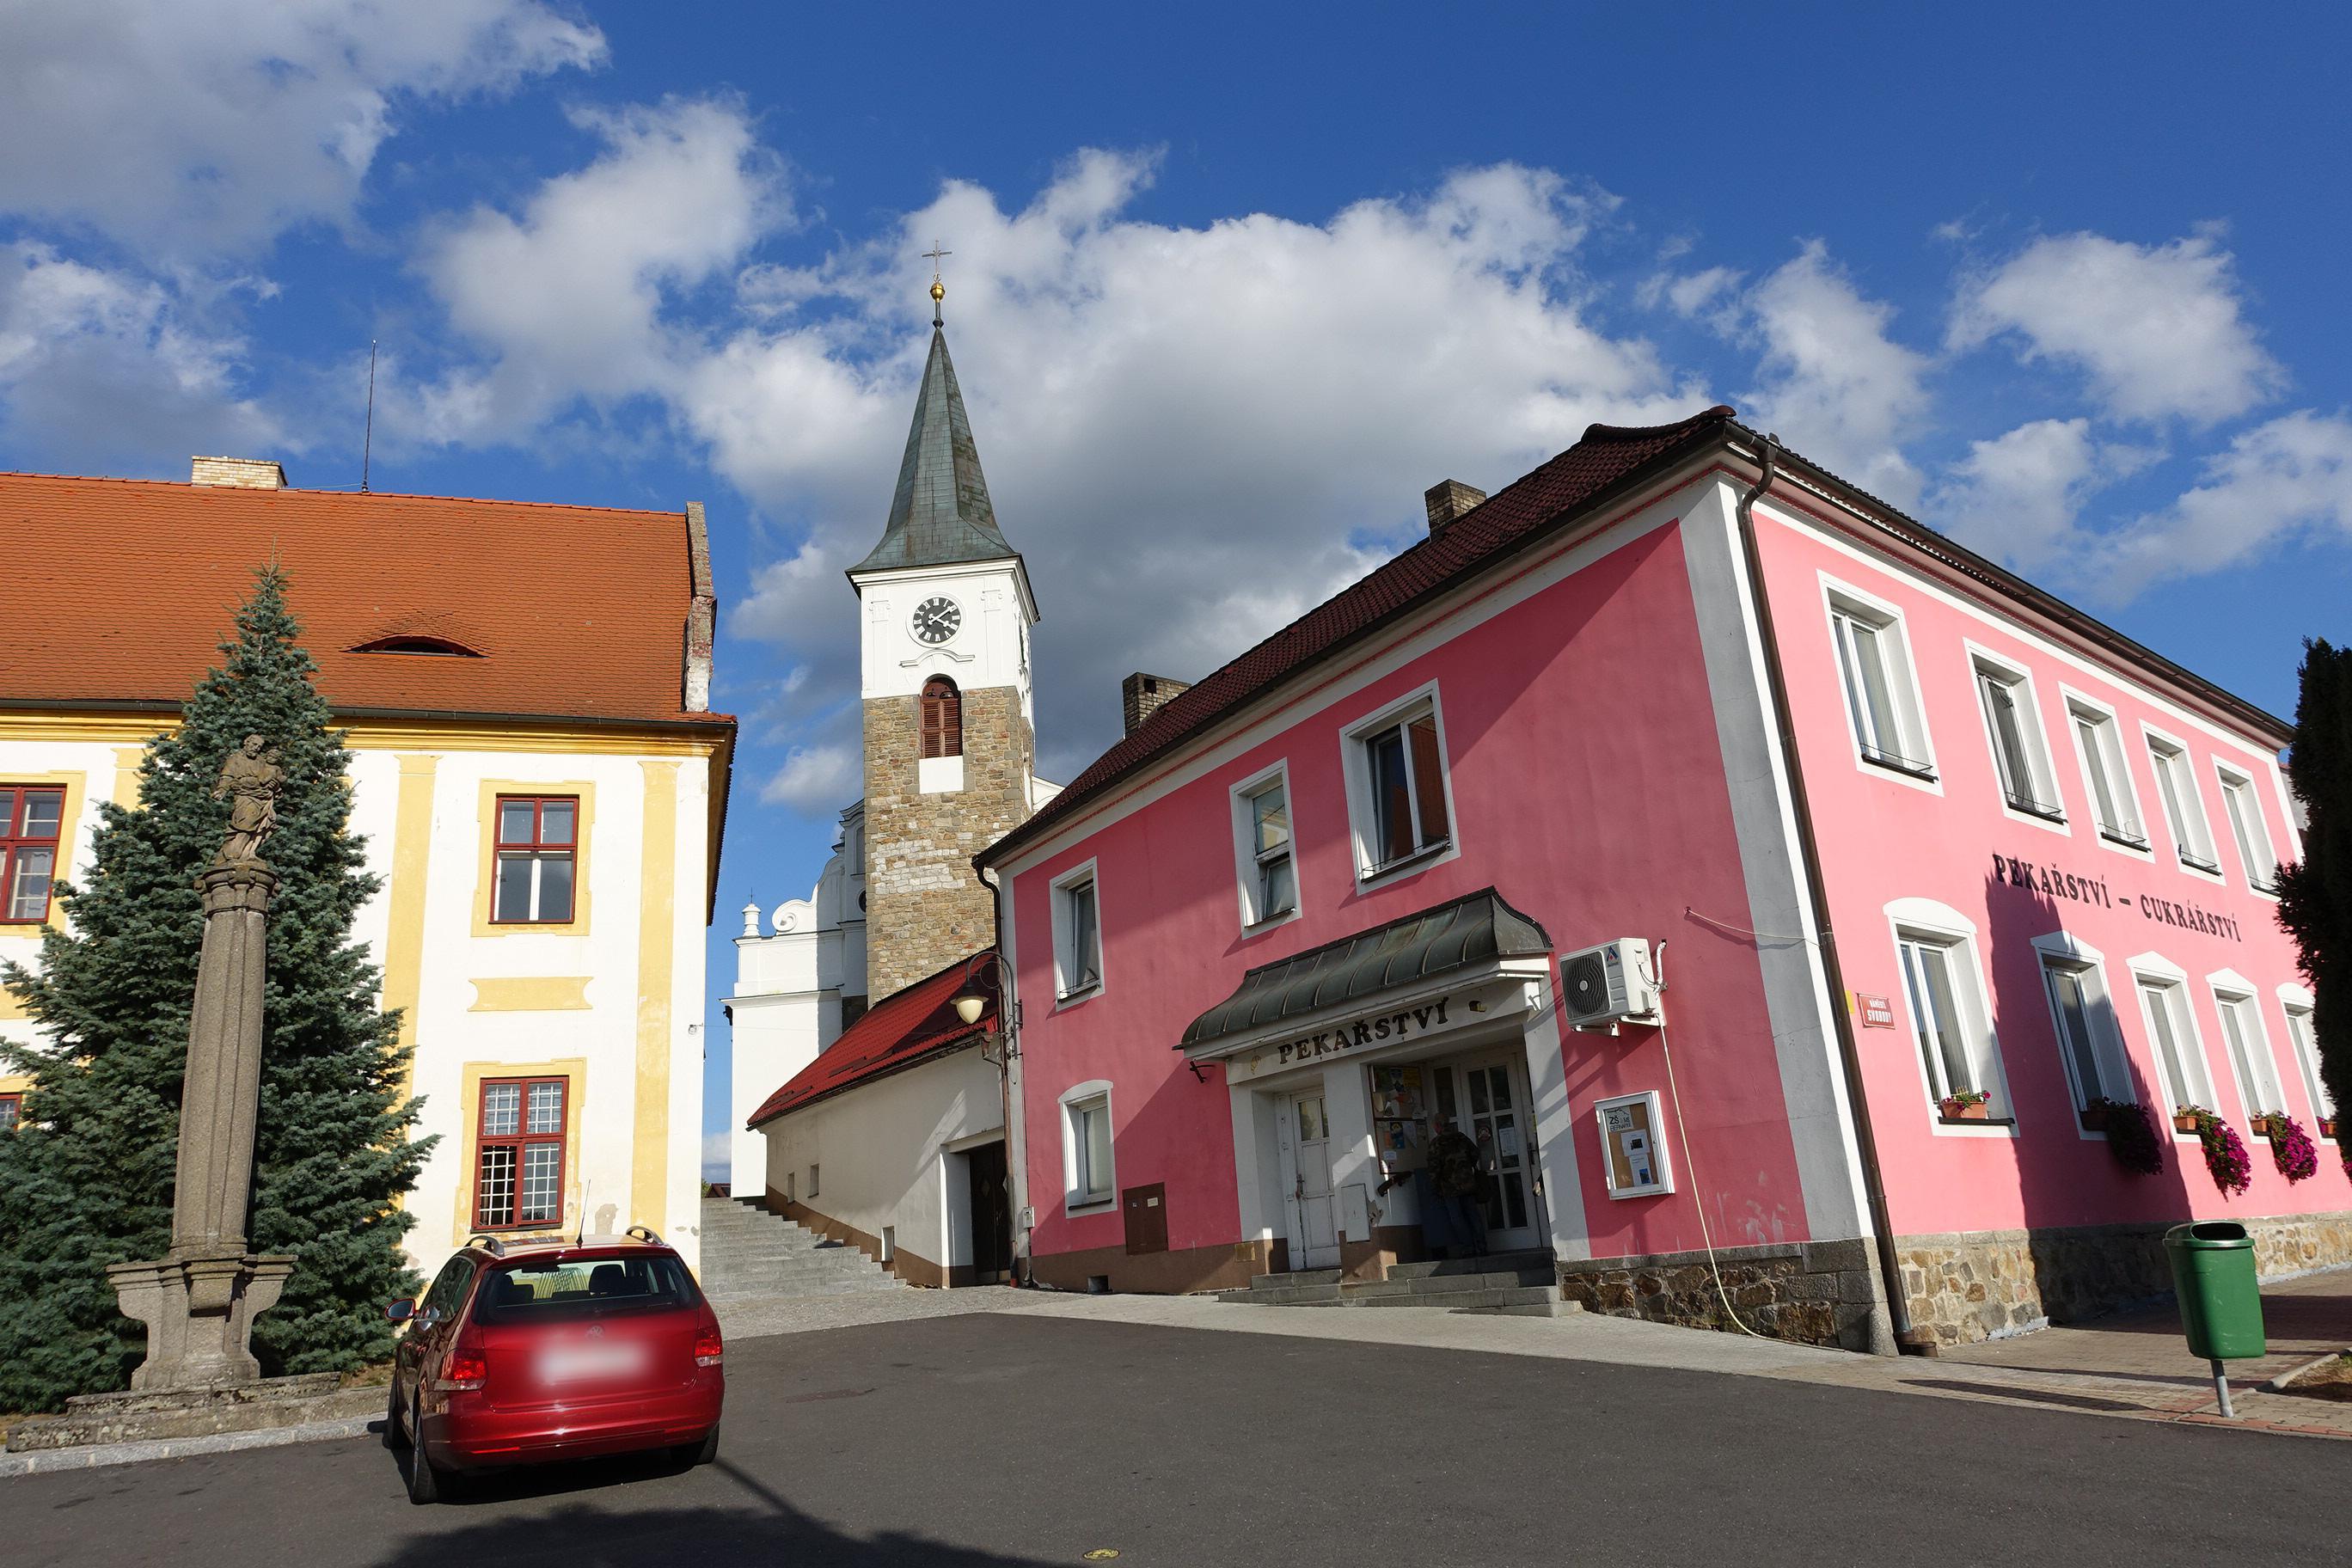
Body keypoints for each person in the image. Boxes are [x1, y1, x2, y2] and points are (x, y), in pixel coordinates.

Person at [1425, 1116, 1488, 1259]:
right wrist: (1467, 1167)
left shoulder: (1437, 1143)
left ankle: (1468, 1248)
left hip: (1449, 1187)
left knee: (1457, 1218)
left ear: (1437, 1126)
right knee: (1473, 1215)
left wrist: (1435, 1186)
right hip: (1468, 1183)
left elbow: (1433, 1168)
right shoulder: (1461, 1138)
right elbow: (1475, 1153)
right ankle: (1482, 1246)